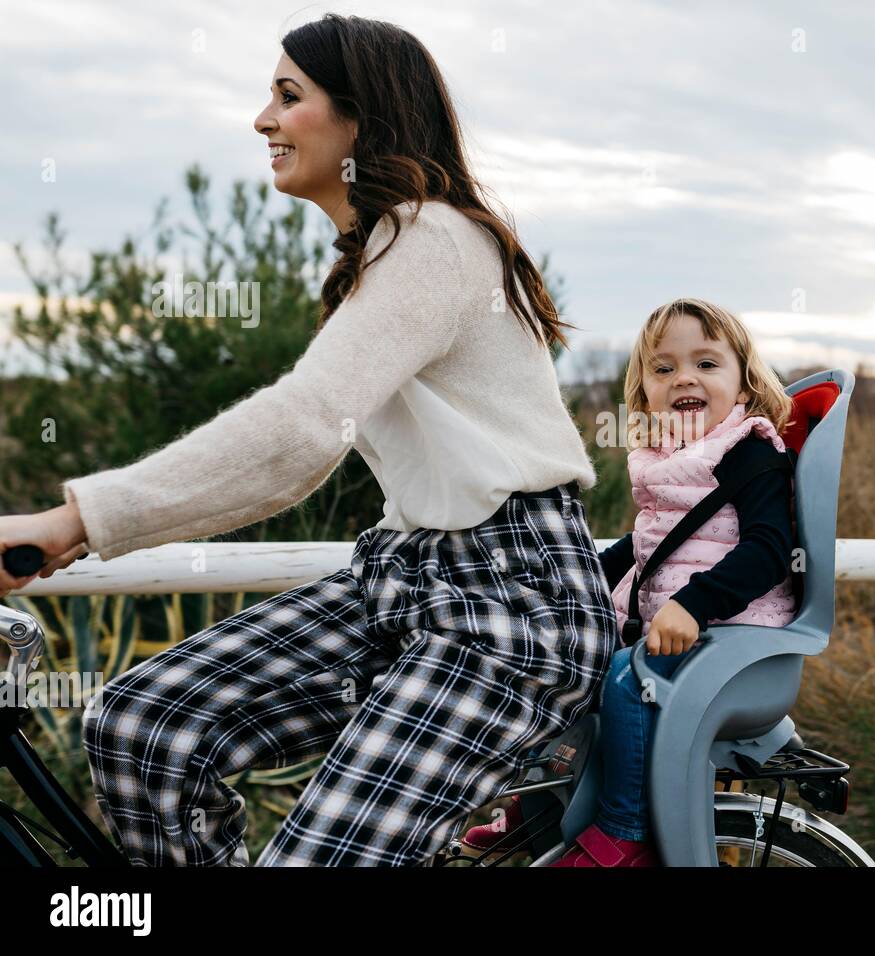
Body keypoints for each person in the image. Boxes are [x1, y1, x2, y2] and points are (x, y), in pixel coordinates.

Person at [0, 14, 617, 866]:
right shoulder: (382, 254)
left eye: (288, 97)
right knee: (144, 727)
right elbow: (299, 456)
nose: (263, 120)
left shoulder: (435, 238)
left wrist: (73, 521)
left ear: (362, 119)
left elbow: (299, 429)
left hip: (510, 609)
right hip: (402, 575)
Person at [459, 297, 798, 867]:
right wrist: (574, 584)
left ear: (743, 384)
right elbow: (643, 548)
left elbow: (769, 550)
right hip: (685, 636)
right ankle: (538, 802)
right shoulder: (670, 458)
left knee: (624, 676)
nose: (684, 377)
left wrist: (694, 604)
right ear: (643, 394)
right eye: (664, 368)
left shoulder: (749, 452)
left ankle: (623, 832)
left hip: (738, 637)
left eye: (706, 364)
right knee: (560, 657)